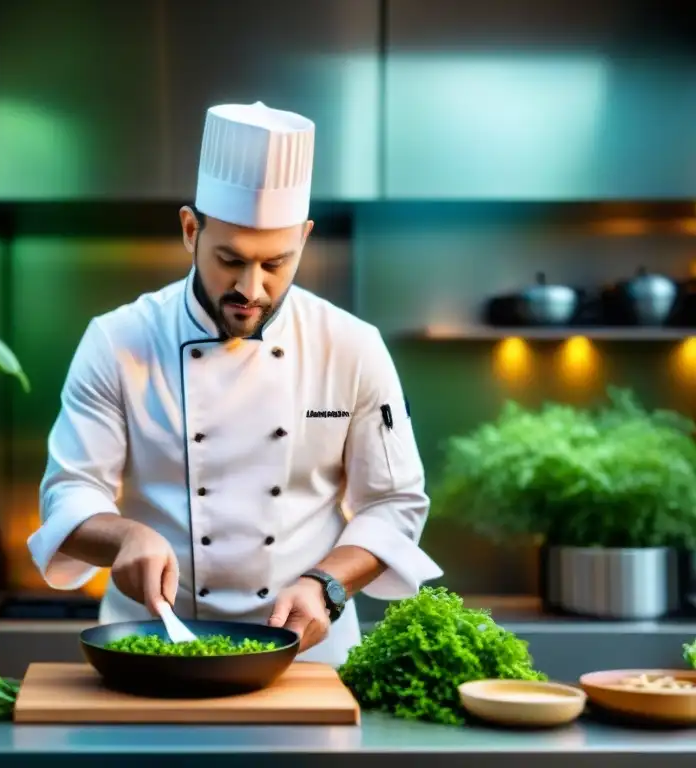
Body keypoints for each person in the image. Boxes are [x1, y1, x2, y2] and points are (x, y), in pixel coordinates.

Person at [27, 101, 442, 667]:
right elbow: (68, 493)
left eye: (276, 263)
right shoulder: (117, 340)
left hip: (307, 654)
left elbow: (393, 502)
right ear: (190, 230)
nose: (252, 288)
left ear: (305, 238)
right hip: (152, 645)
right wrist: (123, 537)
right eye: (230, 260)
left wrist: (329, 584)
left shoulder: (352, 346)